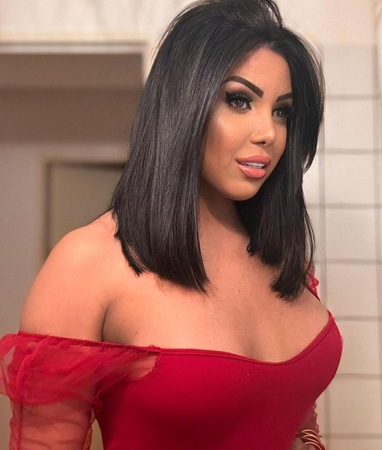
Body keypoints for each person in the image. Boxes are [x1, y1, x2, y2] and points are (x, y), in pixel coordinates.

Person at [0, 0, 342, 448]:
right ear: (182, 105)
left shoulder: (282, 255)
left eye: (283, 112)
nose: (269, 133)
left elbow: (293, 416)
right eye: (239, 100)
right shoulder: (88, 263)